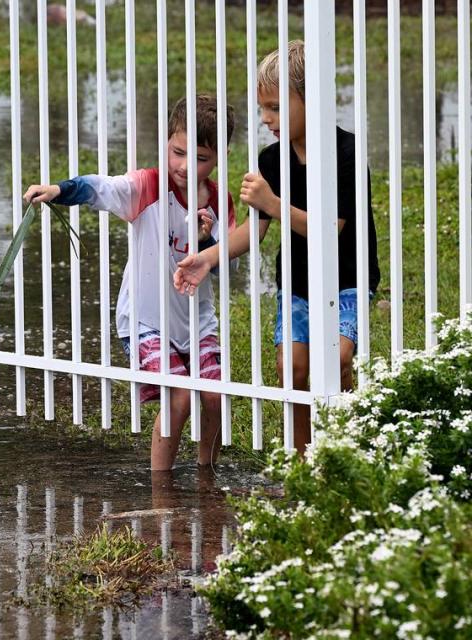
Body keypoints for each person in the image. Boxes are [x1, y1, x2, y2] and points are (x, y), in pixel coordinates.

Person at [173, 41, 380, 455]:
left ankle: (348, 450)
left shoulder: (347, 154)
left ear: (314, 99)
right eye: (263, 108)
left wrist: (271, 202)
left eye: (277, 108)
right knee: (291, 370)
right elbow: (255, 230)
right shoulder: (272, 160)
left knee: (338, 362)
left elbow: (331, 230)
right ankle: (302, 464)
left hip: (348, 278)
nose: (267, 119)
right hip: (297, 281)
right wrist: (207, 257)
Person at [23, 95, 236, 471]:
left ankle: (208, 477)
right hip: (144, 321)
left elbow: (220, 266)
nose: (185, 166)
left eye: (200, 158)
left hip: (197, 321)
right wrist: (58, 190)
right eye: (177, 152)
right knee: (180, 399)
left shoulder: (220, 202)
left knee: (216, 398)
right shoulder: (147, 187)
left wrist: (206, 243)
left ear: (221, 156)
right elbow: (100, 188)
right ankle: (161, 490)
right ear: (166, 142)